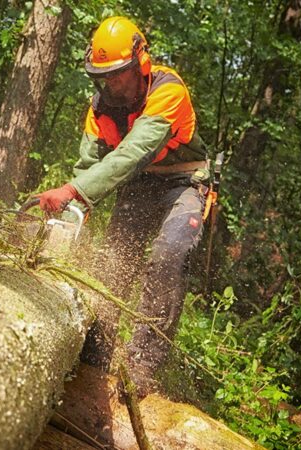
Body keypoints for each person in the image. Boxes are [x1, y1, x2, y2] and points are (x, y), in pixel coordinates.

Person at [35, 16, 208, 396]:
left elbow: (133, 152)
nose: (111, 83)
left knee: (171, 252)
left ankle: (141, 367)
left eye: (117, 74)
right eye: (104, 76)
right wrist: (71, 209)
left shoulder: (168, 90)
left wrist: (74, 190)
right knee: (114, 260)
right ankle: (92, 357)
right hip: (140, 184)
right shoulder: (99, 108)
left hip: (183, 181)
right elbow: (89, 164)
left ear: (140, 65)